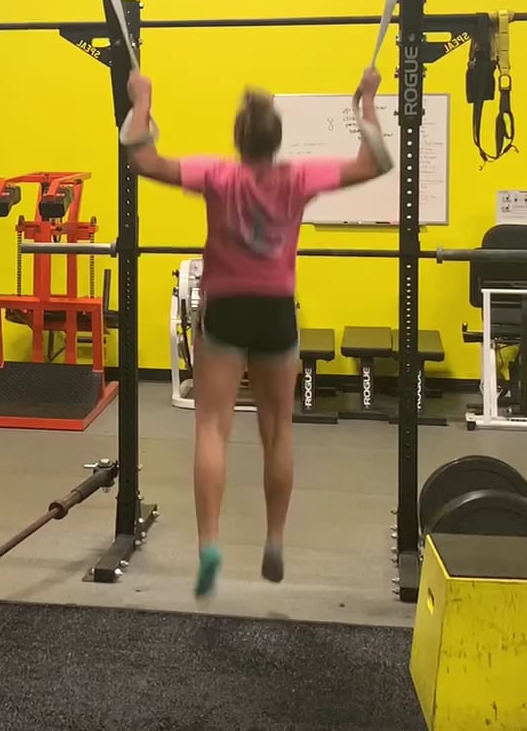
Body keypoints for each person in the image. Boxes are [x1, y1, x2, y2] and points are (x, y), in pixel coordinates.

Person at [123, 67, 390, 597]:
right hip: (275, 312)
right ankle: (274, 539)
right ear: (277, 140)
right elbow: (377, 161)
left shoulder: (217, 175)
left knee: (211, 429)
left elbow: (141, 157)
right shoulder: (299, 178)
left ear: (238, 139)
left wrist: (142, 99)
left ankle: (210, 546)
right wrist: (366, 103)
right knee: (278, 431)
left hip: (226, 310)